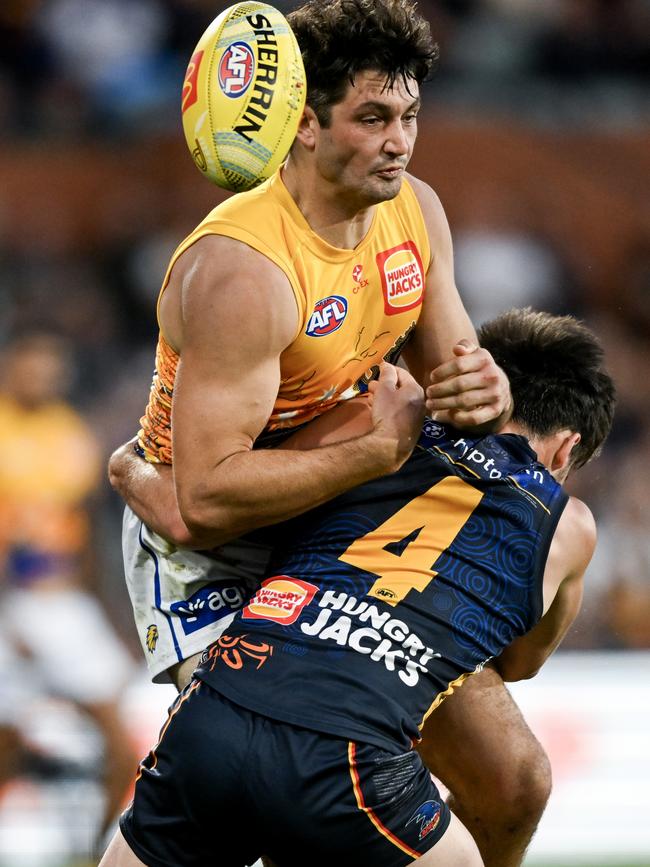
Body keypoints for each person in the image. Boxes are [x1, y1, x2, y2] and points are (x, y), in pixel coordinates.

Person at [108, 0, 529, 862]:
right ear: (302, 126)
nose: (399, 142)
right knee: (279, 790)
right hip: (205, 545)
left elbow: (457, 382)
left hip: (327, 511)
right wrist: (377, 451)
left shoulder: (416, 209)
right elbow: (206, 500)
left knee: (512, 775)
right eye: (372, 118)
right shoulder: (244, 270)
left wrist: (484, 384)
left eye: (409, 116)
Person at [101, 307, 616, 866]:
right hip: (333, 735)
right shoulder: (570, 525)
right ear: (566, 450)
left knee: (518, 775)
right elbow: (519, 662)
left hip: (220, 706)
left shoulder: (377, 414)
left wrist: (126, 467)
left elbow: (201, 502)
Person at [0, 332, 137, 847]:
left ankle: (92, 852)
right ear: (11, 365)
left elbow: (84, 537)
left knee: (121, 746)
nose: (43, 375)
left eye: (52, 366)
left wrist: (109, 616)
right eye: (32, 363)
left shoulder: (69, 432)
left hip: (61, 603)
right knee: (7, 747)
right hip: (10, 603)